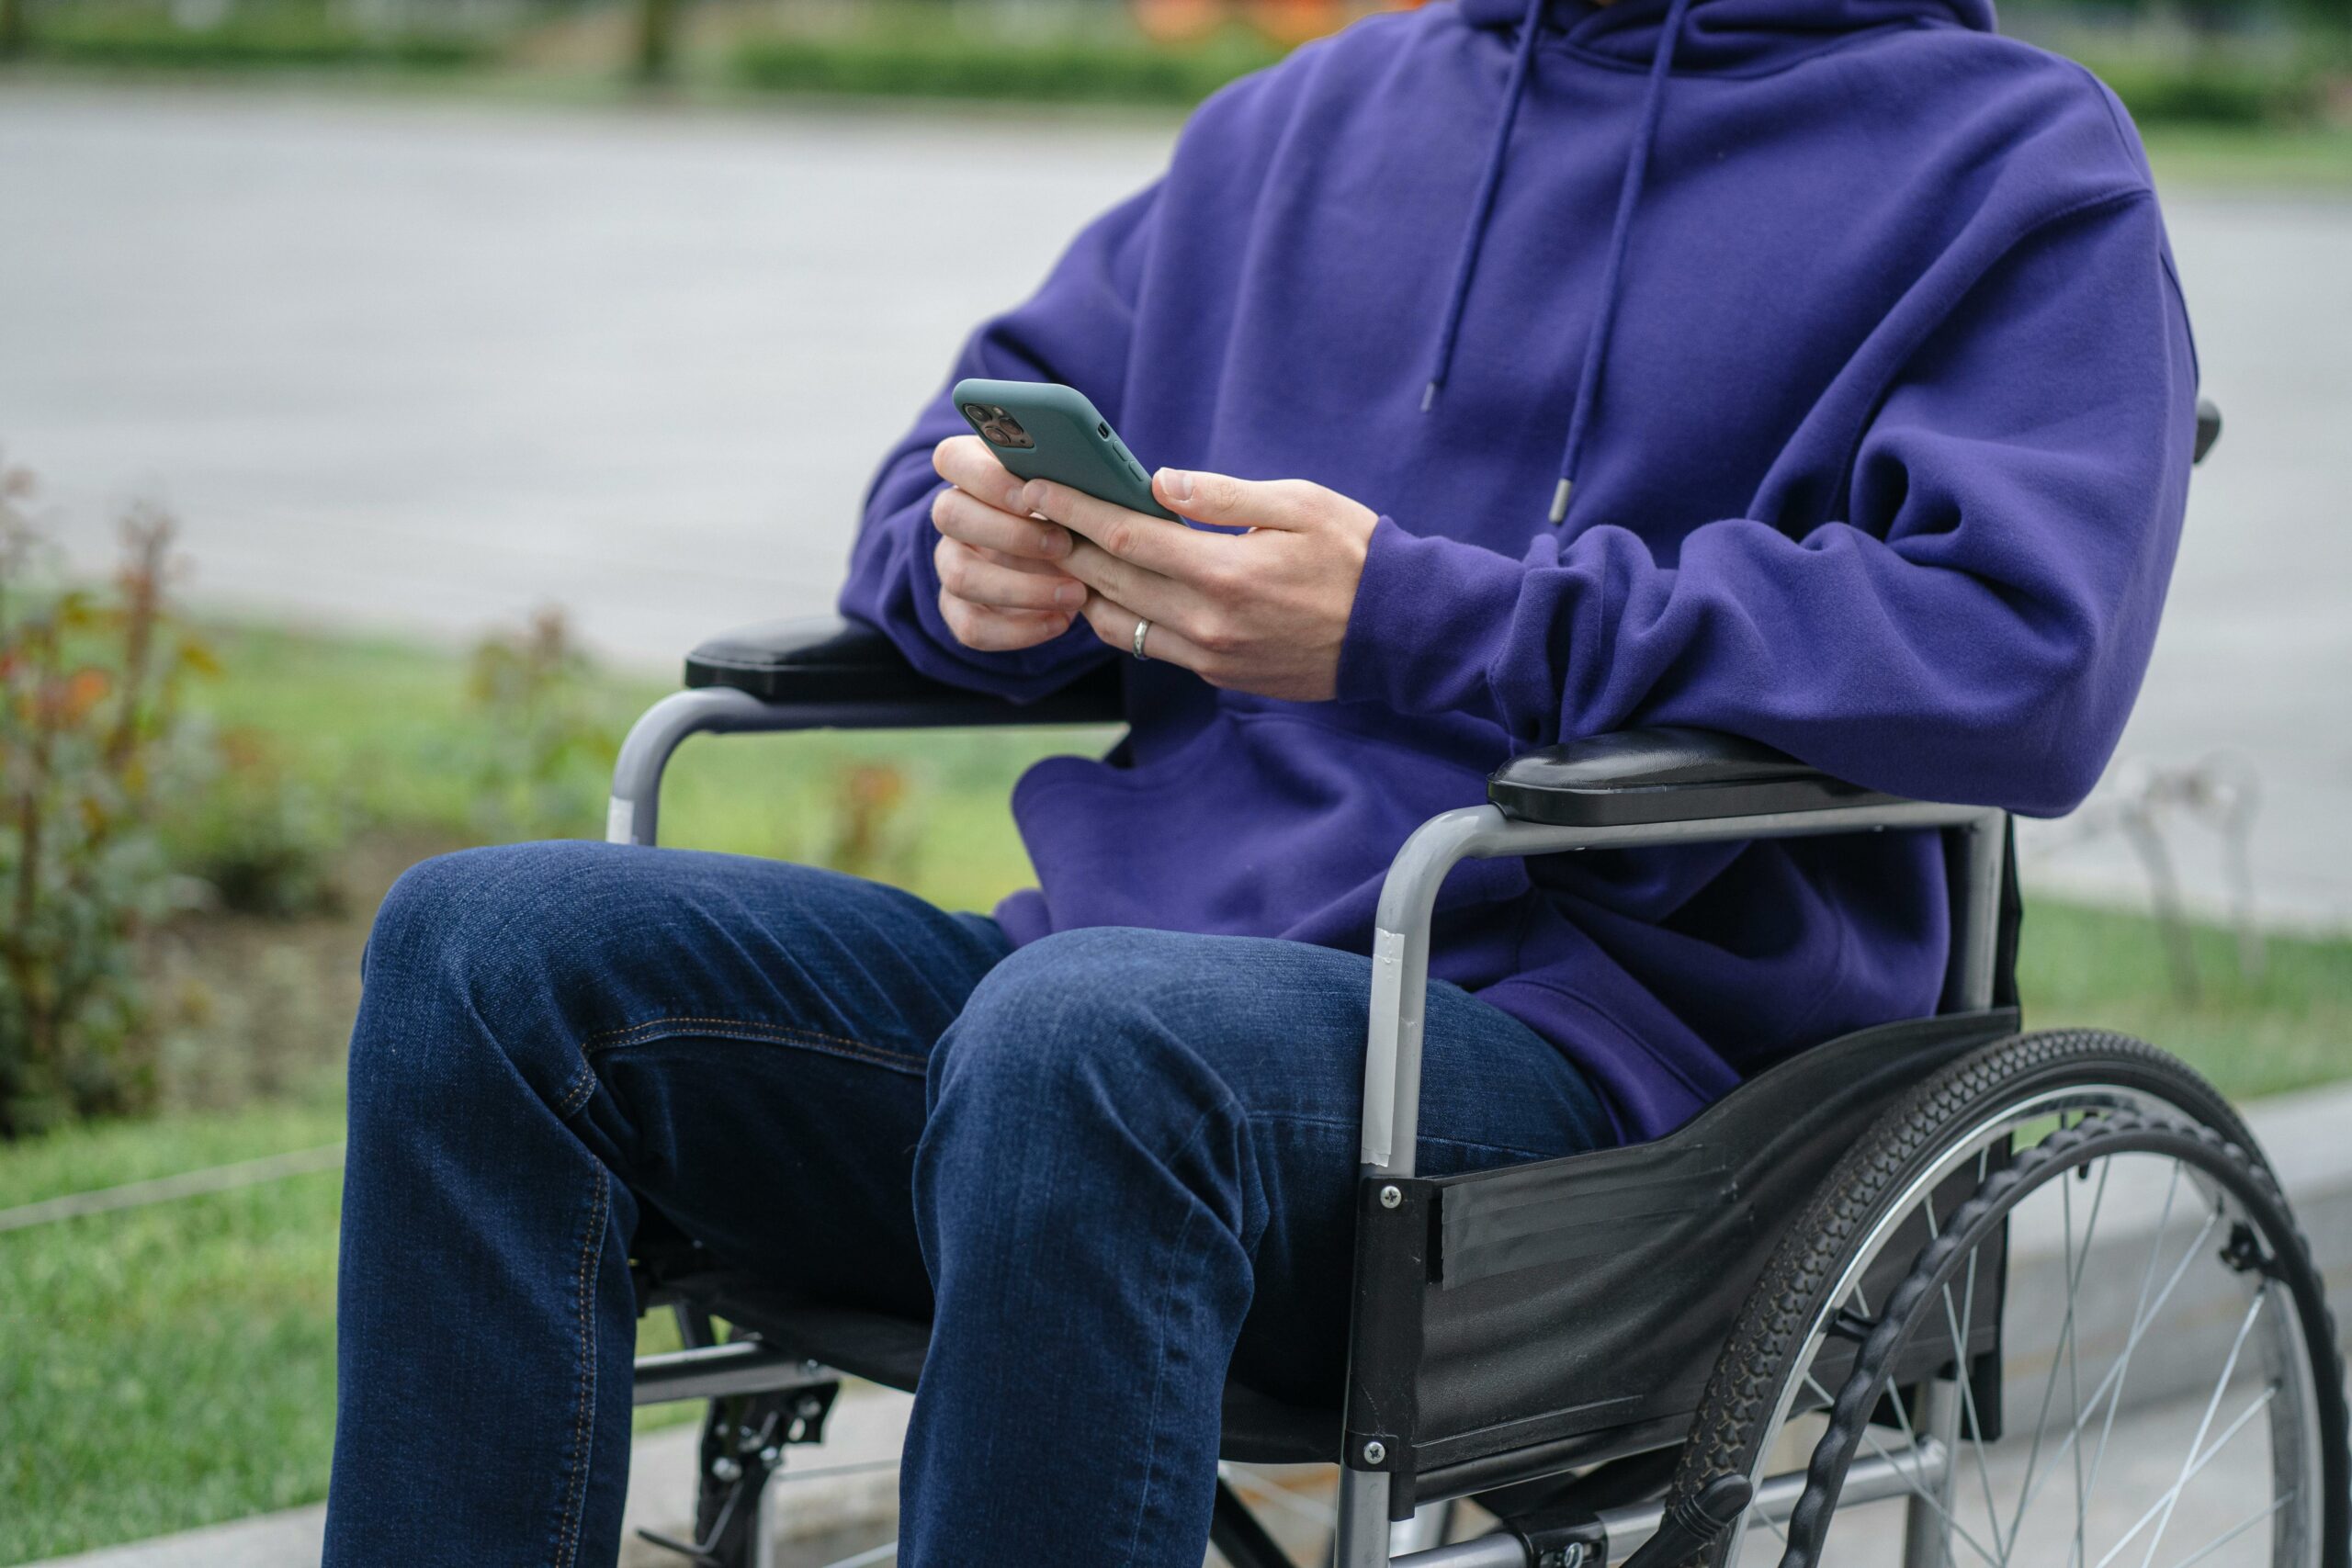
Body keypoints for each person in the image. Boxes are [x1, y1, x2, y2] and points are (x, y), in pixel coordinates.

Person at [322, 0, 2196, 1562]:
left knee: (1091, 1040)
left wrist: (1420, 617)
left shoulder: (2009, 163)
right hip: (1109, 1017)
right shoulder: (1302, 122)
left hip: (1604, 1074)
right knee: (490, 949)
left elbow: (2020, 659)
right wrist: (971, 569)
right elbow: (959, 455)